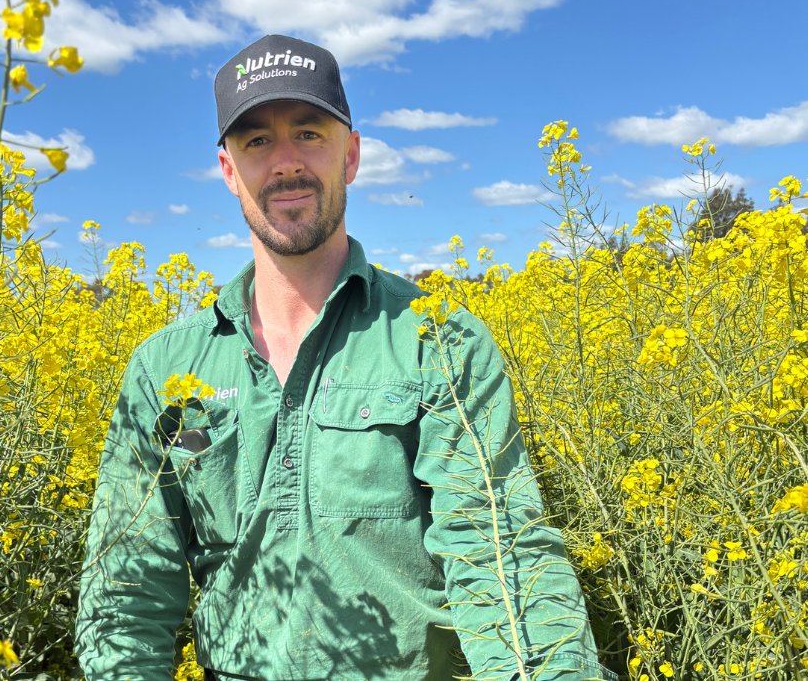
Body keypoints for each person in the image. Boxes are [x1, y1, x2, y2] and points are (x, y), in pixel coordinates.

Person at [75, 34, 613, 680]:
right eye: (256, 142)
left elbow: (502, 556)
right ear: (227, 171)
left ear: (350, 156)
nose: (285, 164)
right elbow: (127, 593)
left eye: (308, 134)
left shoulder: (440, 341)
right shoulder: (163, 369)